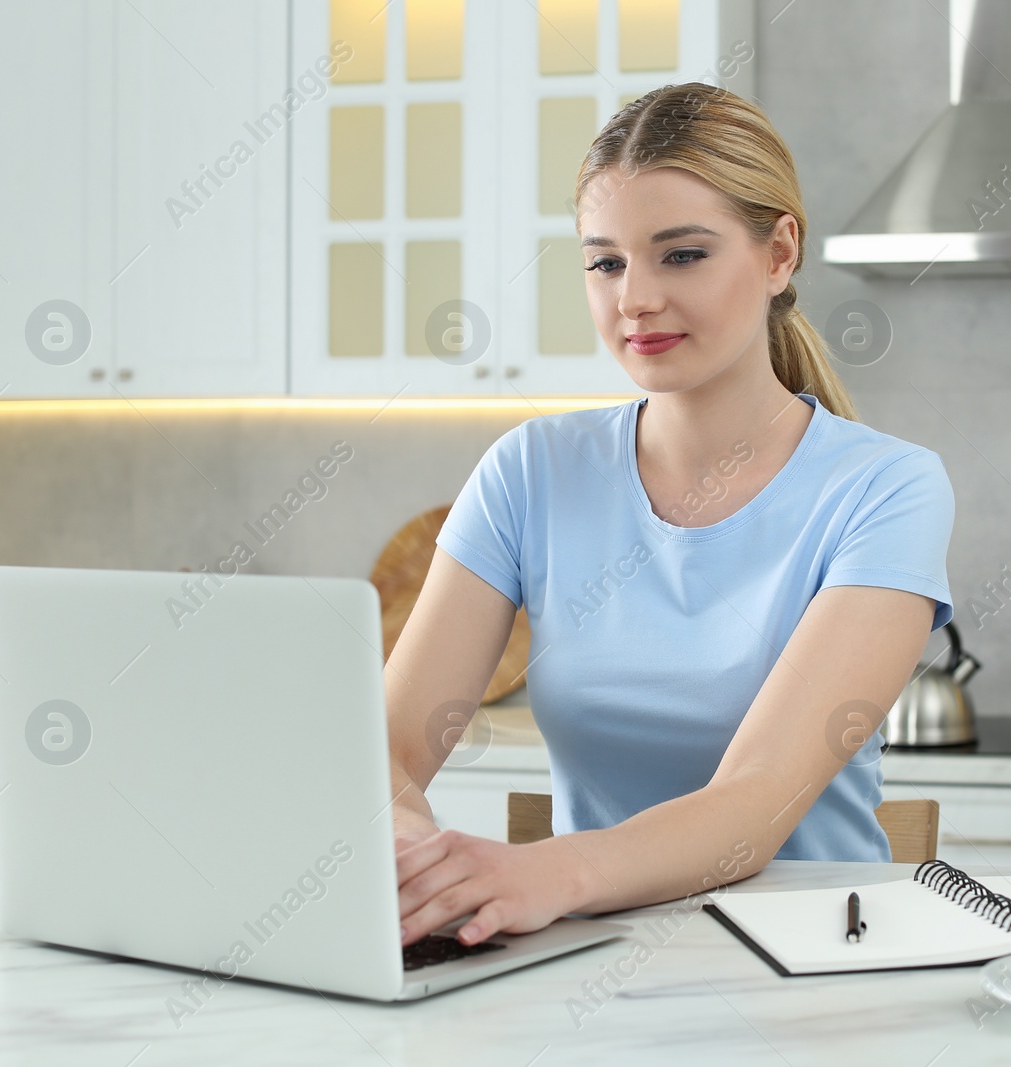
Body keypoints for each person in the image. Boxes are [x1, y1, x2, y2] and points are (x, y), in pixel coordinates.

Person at [387, 82, 954, 949]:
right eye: (605, 262)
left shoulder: (887, 489)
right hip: (588, 967)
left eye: (680, 255)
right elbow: (389, 748)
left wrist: (545, 870)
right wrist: (415, 854)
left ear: (778, 254)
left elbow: (752, 805)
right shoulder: (529, 473)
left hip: (815, 970)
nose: (634, 299)